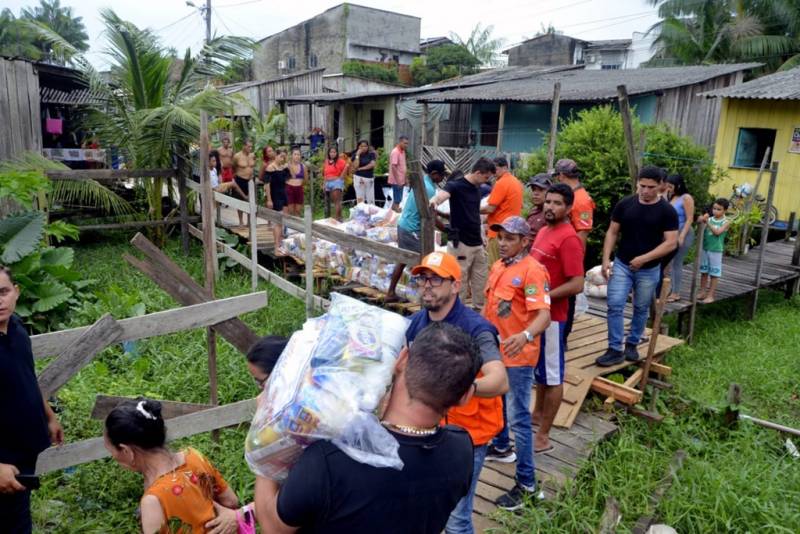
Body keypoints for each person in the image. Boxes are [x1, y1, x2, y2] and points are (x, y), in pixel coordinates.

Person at [252, 322, 479, 534]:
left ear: (401, 360)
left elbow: (273, 526)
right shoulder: (462, 450)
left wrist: (268, 425)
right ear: (466, 396)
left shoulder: (329, 460)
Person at [405, 252, 509, 534]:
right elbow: (400, 368)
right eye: (422, 278)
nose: (427, 285)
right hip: (426, 430)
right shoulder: (416, 323)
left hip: (468, 437)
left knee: (457, 517)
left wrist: (465, 387)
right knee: (424, 506)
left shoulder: (476, 329)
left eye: (436, 279)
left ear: (455, 286)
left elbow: (499, 381)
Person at [481, 216, 551, 511]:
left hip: (518, 358)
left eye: (511, 238)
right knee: (496, 403)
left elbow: (544, 316)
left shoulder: (533, 271)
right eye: (501, 237)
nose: (504, 242)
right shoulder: (499, 266)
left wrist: (524, 335)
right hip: (494, 352)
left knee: (520, 419)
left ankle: (527, 486)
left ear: (525, 241)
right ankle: (500, 446)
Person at [104, 399, 243, 534]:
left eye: (112, 452)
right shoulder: (193, 456)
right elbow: (231, 501)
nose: (114, 457)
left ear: (126, 451)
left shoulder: (153, 500)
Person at [0, 266, 63, 533]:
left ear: (17, 291)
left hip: (23, 453)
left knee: (18, 520)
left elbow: (26, 377)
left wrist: (48, 416)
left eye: (2, 291)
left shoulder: (16, 329)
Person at [596, 166, 679, 367]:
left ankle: (632, 343)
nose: (645, 191)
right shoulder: (625, 204)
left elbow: (671, 243)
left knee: (641, 307)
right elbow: (612, 232)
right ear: (637, 183)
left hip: (649, 269)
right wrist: (606, 259)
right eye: (642, 186)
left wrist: (644, 258)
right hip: (623, 264)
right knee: (615, 304)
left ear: (660, 186)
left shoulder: (667, 211)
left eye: (651, 187)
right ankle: (615, 348)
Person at [528, 184, 585, 453]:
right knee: (540, 372)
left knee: (552, 376)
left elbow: (577, 284)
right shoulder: (543, 231)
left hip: (552, 318)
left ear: (569, 208)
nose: (550, 206)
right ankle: (537, 415)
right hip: (535, 313)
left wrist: (546, 297)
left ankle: (544, 435)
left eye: (557, 203)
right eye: (548, 201)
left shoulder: (569, 238)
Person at [429, 158, 496, 311]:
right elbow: (442, 195)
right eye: (486, 177)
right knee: (460, 280)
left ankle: (480, 312)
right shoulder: (456, 185)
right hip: (461, 243)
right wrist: (434, 202)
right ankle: (457, 312)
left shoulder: (478, 187)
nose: (487, 181)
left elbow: (475, 211)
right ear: (478, 173)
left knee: (481, 280)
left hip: (477, 242)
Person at [386, 159, 448, 302]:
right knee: (426, 262)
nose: (443, 177)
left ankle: (391, 293)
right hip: (411, 229)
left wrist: (443, 218)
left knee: (403, 260)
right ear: (434, 174)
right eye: (442, 175)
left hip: (404, 225)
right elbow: (429, 215)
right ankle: (428, 297)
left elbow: (429, 211)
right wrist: (445, 229)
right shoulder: (429, 189)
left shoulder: (423, 183)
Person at [482, 157, 524, 265]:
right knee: (507, 265)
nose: (493, 173)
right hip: (513, 232)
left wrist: (470, 209)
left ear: (505, 167)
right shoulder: (516, 182)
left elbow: (490, 208)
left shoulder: (501, 183)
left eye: (495, 169)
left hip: (498, 231)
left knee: (494, 266)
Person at [665, 174, 695, 302]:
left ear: (678, 185)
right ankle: (669, 289)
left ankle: (676, 293)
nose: (668, 188)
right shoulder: (671, 197)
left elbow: (690, 219)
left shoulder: (686, 198)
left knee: (677, 262)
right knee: (668, 263)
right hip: (671, 234)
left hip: (684, 232)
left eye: (671, 186)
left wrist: (682, 236)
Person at [697, 198, 731, 304]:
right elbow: (699, 226)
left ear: (725, 210)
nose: (715, 211)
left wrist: (708, 223)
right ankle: (702, 292)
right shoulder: (709, 219)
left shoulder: (726, 221)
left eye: (719, 209)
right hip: (705, 248)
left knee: (714, 273)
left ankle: (711, 295)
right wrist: (701, 220)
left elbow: (717, 232)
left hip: (716, 250)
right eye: (714, 208)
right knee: (704, 271)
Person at [265, 148, 291, 254]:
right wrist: (269, 199)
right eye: (281, 156)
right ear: (276, 155)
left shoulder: (283, 168)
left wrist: (287, 167)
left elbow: (289, 178)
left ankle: (280, 244)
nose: (282, 159)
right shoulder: (270, 168)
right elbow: (267, 185)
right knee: (278, 222)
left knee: (283, 221)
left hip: (283, 194)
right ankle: (276, 247)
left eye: (284, 157)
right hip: (275, 196)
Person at [232, 140, 256, 226]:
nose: (250, 148)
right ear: (244, 146)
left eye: (251, 147)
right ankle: (241, 221)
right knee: (240, 201)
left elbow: (253, 166)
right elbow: (233, 167)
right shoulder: (237, 156)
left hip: (250, 181)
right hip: (240, 179)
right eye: (249, 146)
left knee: (251, 200)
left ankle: (249, 221)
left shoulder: (252, 155)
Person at [322, 146, 347, 221]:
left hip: (336, 182)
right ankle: (338, 217)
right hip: (327, 182)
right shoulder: (326, 161)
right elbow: (325, 173)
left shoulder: (340, 161)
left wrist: (341, 178)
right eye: (331, 152)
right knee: (332, 201)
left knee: (337, 201)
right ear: (328, 153)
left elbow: (347, 166)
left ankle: (337, 219)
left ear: (337, 153)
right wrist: (324, 184)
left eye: (334, 152)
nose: (332, 154)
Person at [526, 173, 552, 242]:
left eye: (540, 190)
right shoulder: (534, 210)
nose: (535, 193)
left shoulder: (553, 214)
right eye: (534, 189)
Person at [351, 140, 377, 205]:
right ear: (358, 147)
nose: (364, 148)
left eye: (365, 146)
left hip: (369, 178)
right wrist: (357, 155)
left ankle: (370, 213)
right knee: (360, 198)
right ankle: (361, 213)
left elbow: (372, 165)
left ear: (368, 147)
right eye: (361, 146)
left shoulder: (371, 154)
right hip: (359, 178)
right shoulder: (355, 154)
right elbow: (355, 166)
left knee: (370, 198)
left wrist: (360, 168)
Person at [388, 136, 409, 211]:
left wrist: (405, 178)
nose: (406, 145)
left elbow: (403, 166)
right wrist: (398, 180)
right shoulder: (395, 152)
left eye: (407, 144)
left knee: (398, 198)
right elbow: (393, 167)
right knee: (397, 198)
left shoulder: (402, 151)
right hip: (396, 180)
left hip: (401, 179)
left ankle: (393, 212)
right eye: (405, 143)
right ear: (400, 142)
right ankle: (395, 213)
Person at [286, 148, 306, 217]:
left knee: (298, 210)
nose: (297, 156)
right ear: (291, 155)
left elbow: (306, 179)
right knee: (290, 210)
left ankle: (297, 227)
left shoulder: (303, 166)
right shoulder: (287, 166)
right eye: (295, 154)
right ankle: (289, 227)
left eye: (298, 154)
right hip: (289, 188)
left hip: (299, 188)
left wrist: (300, 184)